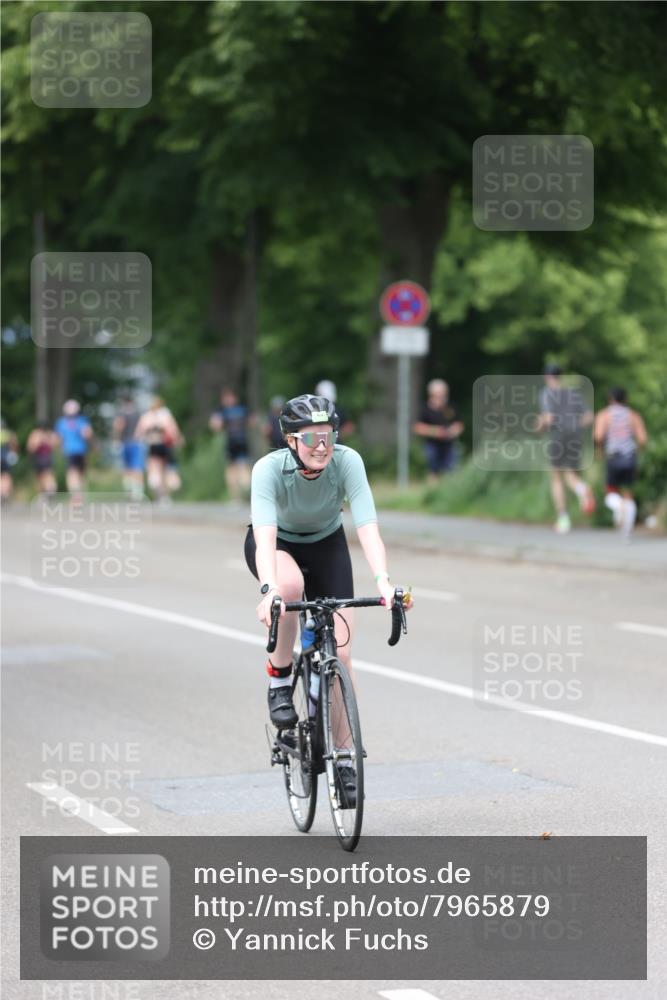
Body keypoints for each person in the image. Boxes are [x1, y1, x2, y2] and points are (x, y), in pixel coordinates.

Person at [245, 393, 407, 800]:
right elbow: (264, 537)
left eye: (329, 435)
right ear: (290, 440)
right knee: (291, 589)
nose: (322, 445)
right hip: (277, 545)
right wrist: (269, 591)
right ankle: (280, 678)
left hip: (326, 544)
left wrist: (384, 581)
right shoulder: (268, 470)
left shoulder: (347, 461)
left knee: (343, 653)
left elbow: (367, 525)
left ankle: (345, 757)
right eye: (312, 437)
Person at [537, 364, 595, 533]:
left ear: (547, 377)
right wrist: (576, 427)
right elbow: (589, 416)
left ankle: (563, 519)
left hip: (558, 436)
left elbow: (548, 418)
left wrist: (538, 425)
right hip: (574, 436)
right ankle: (583, 489)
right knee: (570, 474)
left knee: (556, 477)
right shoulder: (573, 393)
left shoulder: (547, 393)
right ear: (560, 376)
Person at [594, 387, 648, 539]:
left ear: (610, 399)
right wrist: (635, 451)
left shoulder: (604, 415)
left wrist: (600, 451)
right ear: (625, 399)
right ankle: (626, 532)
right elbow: (643, 439)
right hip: (629, 457)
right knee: (628, 492)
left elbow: (598, 436)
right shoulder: (633, 415)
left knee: (610, 493)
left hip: (613, 457)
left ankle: (619, 508)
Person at [412, 379, 464, 483]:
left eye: (444, 394)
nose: (442, 397)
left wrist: (453, 431)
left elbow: (459, 424)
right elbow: (417, 427)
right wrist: (436, 432)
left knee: (452, 470)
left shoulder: (450, 407)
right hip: (433, 445)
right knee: (433, 471)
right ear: (431, 394)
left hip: (449, 445)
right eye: (439, 394)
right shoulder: (425, 408)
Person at [134, 397, 184, 505]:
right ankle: (163, 495)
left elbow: (139, 432)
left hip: (156, 445)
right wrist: (177, 438)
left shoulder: (147, 416)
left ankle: (160, 495)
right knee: (161, 470)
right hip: (161, 445)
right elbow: (172, 428)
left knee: (157, 470)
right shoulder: (164, 415)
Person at [209, 388, 253, 501]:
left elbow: (215, 426)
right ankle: (237, 496)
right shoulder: (223, 411)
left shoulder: (238, 409)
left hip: (240, 442)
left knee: (241, 468)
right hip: (231, 443)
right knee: (231, 470)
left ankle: (243, 491)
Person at [54, 400, 93, 501]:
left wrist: (58, 448)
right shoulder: (81, 420)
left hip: (70, 451)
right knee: (81, 473)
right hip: (81, 450)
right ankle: (81, 495)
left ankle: (75, 495)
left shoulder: (62, 422)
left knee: (72, 473)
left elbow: (58, 439)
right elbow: (88, 434)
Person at [113, 396, 145, 500]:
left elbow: (118, 426)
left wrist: (116, 440)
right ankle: (138, 491)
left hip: (125, 442)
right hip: (137, 443)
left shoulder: (121, 413)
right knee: (137, 467)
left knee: (127, 468)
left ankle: (130, 490)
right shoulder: (138, 413)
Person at [26, 421, 58, 495]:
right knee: (48, 475)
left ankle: (47, 491)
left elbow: (30, 448)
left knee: (41, 477)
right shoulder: (49, 434)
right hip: (48, 457)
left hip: (41, 458)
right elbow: (54, 446)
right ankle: (50, 489)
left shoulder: (35, 434)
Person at [0, 418, 19, 502]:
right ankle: (4, 493)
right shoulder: (8, 434)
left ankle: (2, 493)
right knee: (6, 476)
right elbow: (14, 446)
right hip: (6, 458)